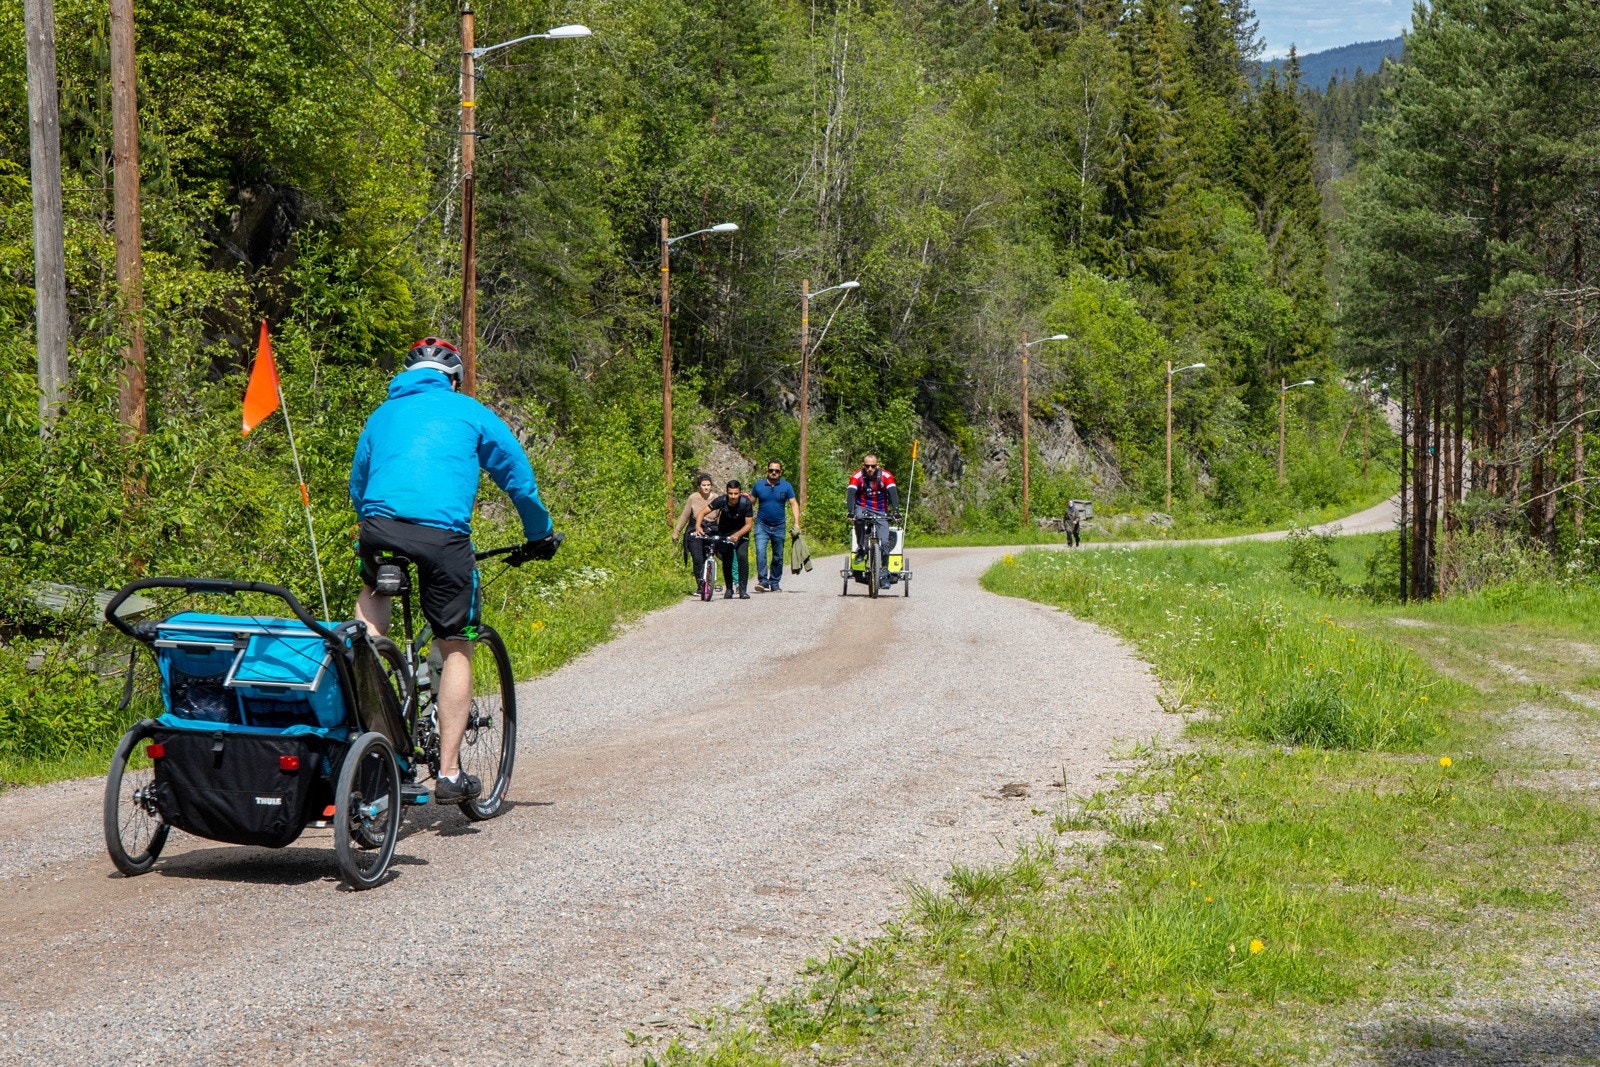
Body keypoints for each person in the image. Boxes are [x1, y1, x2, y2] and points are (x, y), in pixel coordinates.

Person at [349, 337, 560, 804]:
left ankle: (364, 669)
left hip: (378, 528)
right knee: (456, 644)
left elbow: (358, 483)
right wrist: (538, 533)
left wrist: (376, 525)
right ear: (453, 378)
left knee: (371, 607)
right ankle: (447, 773)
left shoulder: (382, 415)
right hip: (442, 538)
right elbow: (518, 479)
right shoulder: (470, 411)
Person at [847, 453, 900, 589]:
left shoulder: (886, 476)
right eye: (867, 466)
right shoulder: (856, 476)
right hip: (862, 507)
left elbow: (893, 493)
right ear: (863, 466)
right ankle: (861, 547)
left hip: (881, 510)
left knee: (885, 543)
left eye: (873, 466)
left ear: (877, 465)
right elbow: (851, 495)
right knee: (858, 519)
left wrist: (896, 511)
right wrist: (851, 512)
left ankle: (883, 573)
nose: (870, 469)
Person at [748, 460, 801, 592]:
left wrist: (796, 523)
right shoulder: (758, 486)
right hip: (761, 525)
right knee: (760, 552)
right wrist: (745, 522)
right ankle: (763, 581)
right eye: (771, 470)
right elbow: (750, 504)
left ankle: (775, 582)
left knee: (778, 555)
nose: (773, 473)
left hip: (779, 525)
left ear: (780, 472)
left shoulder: (786, 486)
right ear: (767, 471)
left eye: (776, 471)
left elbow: (794, 504)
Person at [700, 479, 754, 599]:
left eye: (736, 493)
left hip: (741, 532)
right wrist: (698, 526)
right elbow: (702, 512)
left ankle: (743, 589)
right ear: (727, 492)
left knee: (742, 557)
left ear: (740, 493)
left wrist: (737, 535)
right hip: (725, 532)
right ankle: (729, 588)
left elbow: (749, 524)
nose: (733, 496)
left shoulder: (746, 503)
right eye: (730, 493)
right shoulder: (721, 500)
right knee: (727, 560)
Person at [672, 472, 717, 593]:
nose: (706, 487)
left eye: (708, 485)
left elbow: (721, 517)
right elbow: (684, 516)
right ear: (699, 486)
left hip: (711, 529)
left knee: (711, 554)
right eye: (703, 485)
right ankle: (701, 585)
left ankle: (711, 580)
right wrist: (677, 532)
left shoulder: (717, 498)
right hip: (694, 530)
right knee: (698, 559)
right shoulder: (693, 498)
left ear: (711, 485)